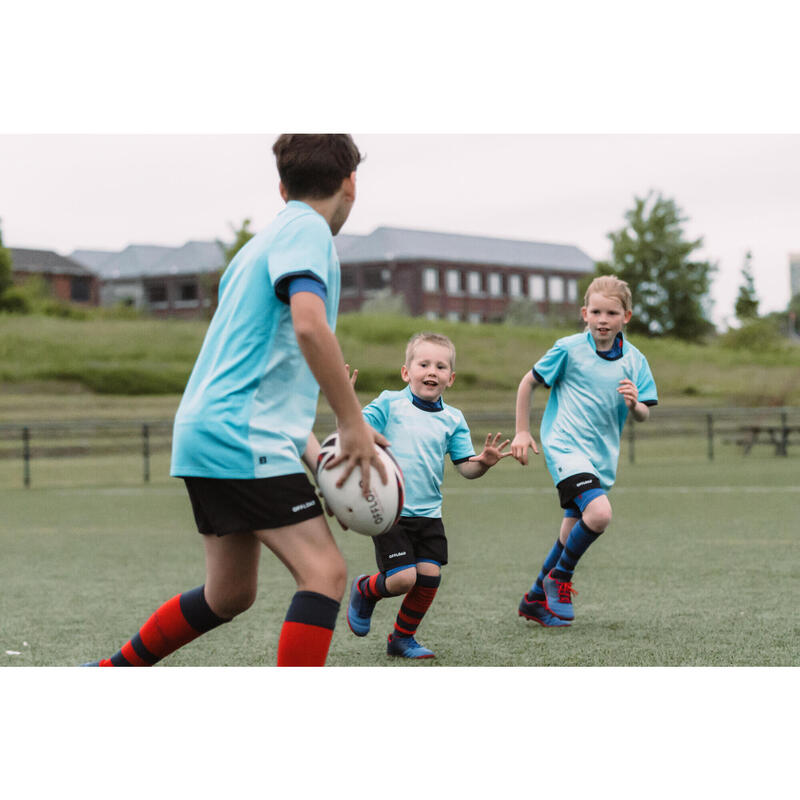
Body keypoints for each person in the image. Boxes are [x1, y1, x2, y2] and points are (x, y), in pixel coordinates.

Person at [86, 134, 387, 667]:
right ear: (350, 183)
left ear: (282, 186)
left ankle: (111, 671)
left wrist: (323, 464)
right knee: (325, 573)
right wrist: (352, 421)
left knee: (229, 593)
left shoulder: (258, 246)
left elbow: (264, 376)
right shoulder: (307, 230)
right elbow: (310, 327)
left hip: (210, 431)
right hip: (240, 436)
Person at [346, 332, 511, 659]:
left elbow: (466, 468)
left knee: (429, 577)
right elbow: (356, 429)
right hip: (390, 511)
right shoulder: (390, 403)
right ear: (407, 372)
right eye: (423, 364)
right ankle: (365, 589)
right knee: (403, 579)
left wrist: (484, 463)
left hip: (429, 515)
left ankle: (402, 639)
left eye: (440, 366)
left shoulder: (453, 419)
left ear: (451, 378)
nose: (431, 371)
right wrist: (348, 406)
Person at [511, 275, 658, 626]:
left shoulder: (635, 361)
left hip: (600, 457)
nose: (603, 319)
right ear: (584, 313)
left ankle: (534, 599)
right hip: (564, 445)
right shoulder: (568, 349)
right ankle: (559, 579)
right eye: (596, 311)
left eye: (611, 312)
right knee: (600, 514)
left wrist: (635, 404)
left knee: (572, 529)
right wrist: (521, 431)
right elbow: (528, 383)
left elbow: (644, 414)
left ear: (627, 317)